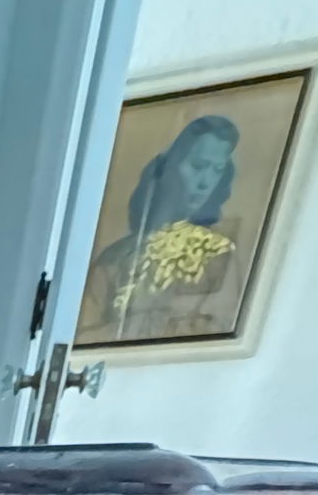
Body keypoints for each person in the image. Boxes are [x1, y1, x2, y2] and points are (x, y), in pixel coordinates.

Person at [80, 113, 241, 343]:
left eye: (217, 170)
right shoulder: (115, 258)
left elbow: (217, 332)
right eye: (197, 166)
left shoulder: (220, 255)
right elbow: (80, 338)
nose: (205, 182)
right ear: (172, 168)